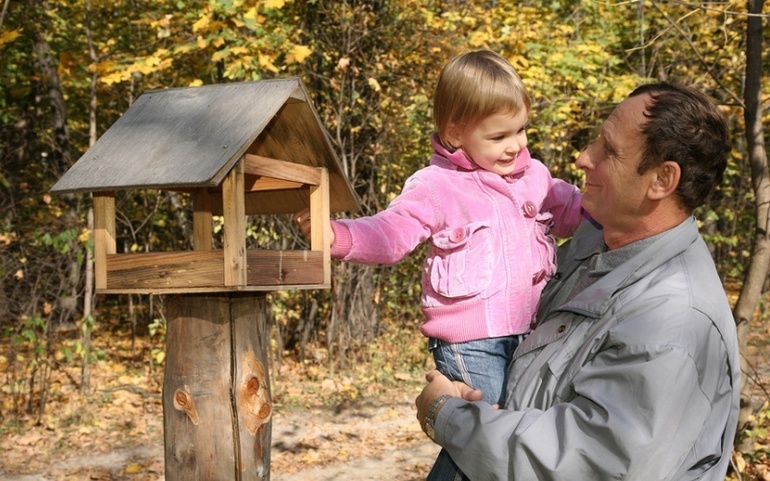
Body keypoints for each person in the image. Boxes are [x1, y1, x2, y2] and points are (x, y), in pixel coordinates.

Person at [415, 81, 740, 481]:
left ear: (661, 180)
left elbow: (592, 464)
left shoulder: (674, 319)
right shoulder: (594, 241)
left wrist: (448, 416)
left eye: (609, 150)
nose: (584, 157)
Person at [295, 49, 583, 476]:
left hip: (533, 334)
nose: (516, 145)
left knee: (511, 433)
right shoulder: (436, 187)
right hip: (472, 343)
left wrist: (619, 203)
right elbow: (391, 233)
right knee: (482, 433)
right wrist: (339, 235)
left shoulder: (536, 178)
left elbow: (579, 212)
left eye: (521, 129)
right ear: (455, 132)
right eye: (499, 136)